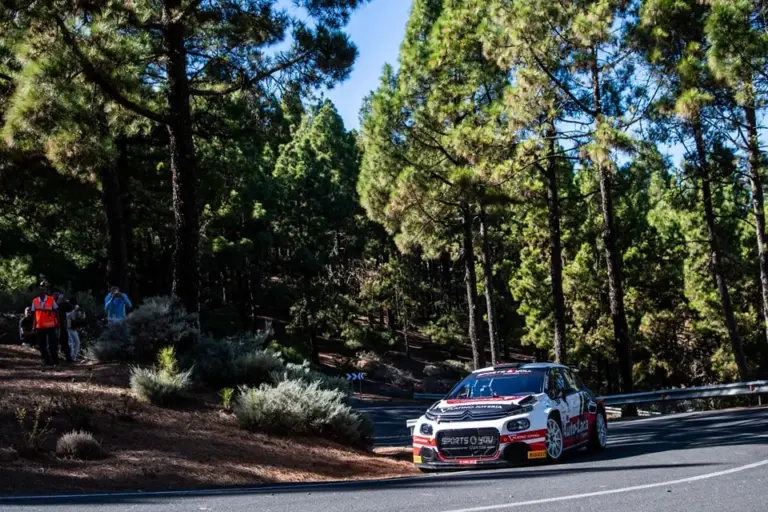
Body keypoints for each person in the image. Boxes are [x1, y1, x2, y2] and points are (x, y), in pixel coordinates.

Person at [31, 280, 59, 366]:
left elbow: (56, 311)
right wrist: (34, 326)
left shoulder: (51, 300)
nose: (42, 292)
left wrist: (57, 322)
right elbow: (34, 315)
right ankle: (47, 361)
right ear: (38, 292)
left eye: (44, 290)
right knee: (42, 345)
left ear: (46, 291)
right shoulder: (35, 301)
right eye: (41, 290)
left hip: (50, 325)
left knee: (52, 345)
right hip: (40, 326)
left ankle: (55, 362)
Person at [55, 292, 75, 363]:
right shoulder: (51, 301)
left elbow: (70, 308)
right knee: (54, 343)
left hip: (63, 326)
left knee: (65, 343)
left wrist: (66, 301)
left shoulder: (63, 304)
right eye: (56, 294)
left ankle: (68, 359)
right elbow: (51, 310)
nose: (57, 295)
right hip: (54, 326)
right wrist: (57, 303)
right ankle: (55, 359)